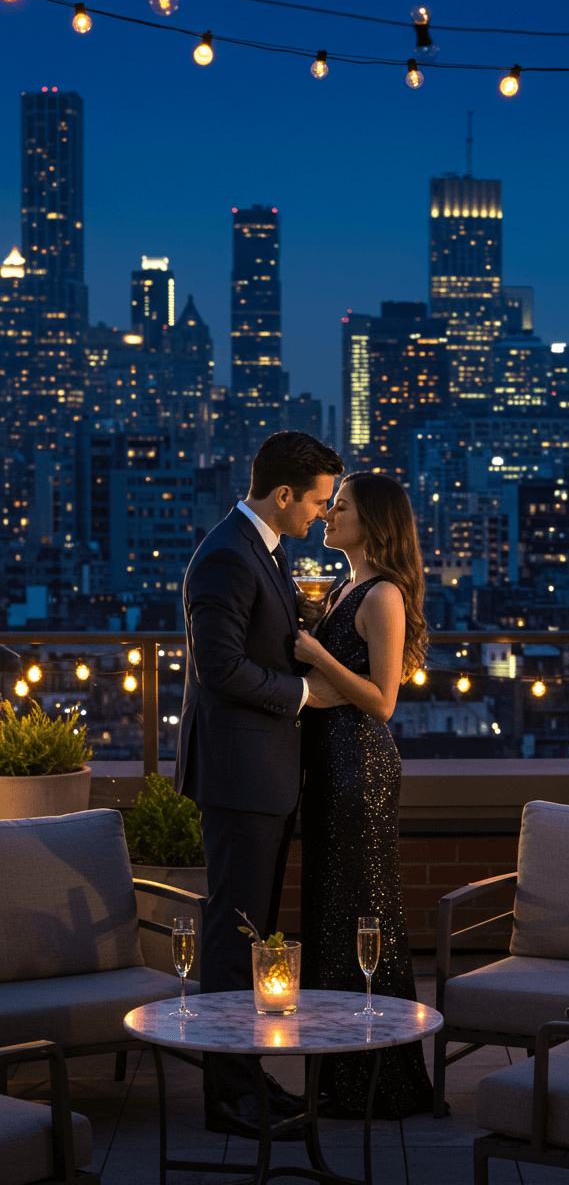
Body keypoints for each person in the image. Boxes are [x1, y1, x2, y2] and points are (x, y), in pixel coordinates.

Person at [175, 430, 345, 1140]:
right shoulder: (224, 557)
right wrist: (302, 694)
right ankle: (227, 1097)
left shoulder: (264, 551)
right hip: (241, 777)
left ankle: (246, 1075)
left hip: (264, 779)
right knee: (231, 938)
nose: (320, 517)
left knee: (253, 939)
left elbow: (252, 643)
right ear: (282, 495)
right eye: (315, 503)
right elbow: (219, 669)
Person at [294, 472, 434, 1118]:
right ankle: (338, 1078)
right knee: (331, 917)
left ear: (372, 521)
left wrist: (314, 654)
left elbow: (382, 701)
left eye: (340, 507)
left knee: (358, 914)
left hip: (358, 771)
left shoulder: (382, 596)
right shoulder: (346, 586)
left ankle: (375, 1083)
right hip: (330, 768)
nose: (327, 514)